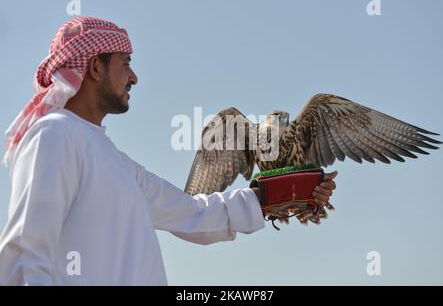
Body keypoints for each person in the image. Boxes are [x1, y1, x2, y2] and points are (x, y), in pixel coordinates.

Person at [0, 17, 337, 285]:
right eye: (125, 63)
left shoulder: (113, 160)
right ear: (95, 68)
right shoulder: (55, 135)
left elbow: (193, 214)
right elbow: (26, 255)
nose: (134, 77)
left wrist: (274, 195)